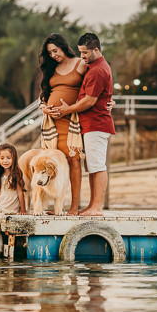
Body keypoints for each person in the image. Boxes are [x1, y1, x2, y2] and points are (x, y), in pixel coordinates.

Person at [51, 32, 115, 216]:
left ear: (96, 49)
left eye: (85, 53)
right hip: (90, 124)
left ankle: (97, 206)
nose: (82, 57)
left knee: (98, 166)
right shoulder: (93, 66)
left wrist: (67, 110)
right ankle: (92, 205)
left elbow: (90, 101)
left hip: (97, 124)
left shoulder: (98, 70)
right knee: (93, 167)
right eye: (80, 52)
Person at [38, 33, 87, 214]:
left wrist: (109, 100)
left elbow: (95, 84)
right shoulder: (51, 68)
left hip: (71, 121)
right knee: (54, 164)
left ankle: (74, 207)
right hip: (52, 124)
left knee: (73, 162)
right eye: (49, 53)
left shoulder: (79, 63)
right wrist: (44, 108)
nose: (53, 55)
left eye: (55, 50)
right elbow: (43, 94)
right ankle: (58, 207)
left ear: (63, 47)